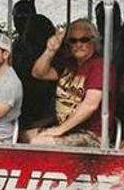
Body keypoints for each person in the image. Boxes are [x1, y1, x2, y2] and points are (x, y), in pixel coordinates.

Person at [28, 18, 107, 147]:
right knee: (21, 136)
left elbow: (90, 105)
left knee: (39, 142)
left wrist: (59, 130)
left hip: (91, 135)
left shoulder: (100, 65)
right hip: (65, 129)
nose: (78, 44)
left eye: (84, 40)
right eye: (73, 41)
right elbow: (38, 73)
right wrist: (50, 51)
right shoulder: (69, 63)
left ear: (94, 41)